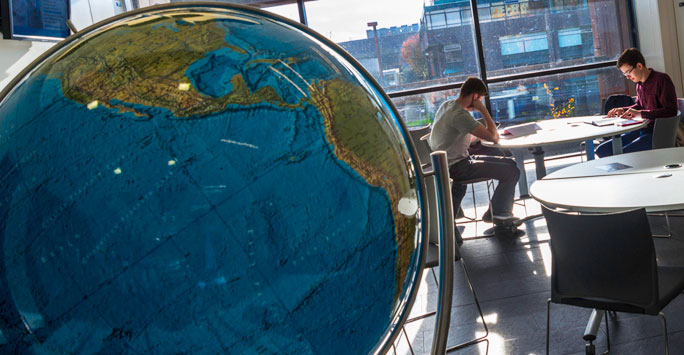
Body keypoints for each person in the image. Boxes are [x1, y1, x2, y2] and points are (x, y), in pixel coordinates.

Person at [428, 77, 520, 230]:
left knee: (509, 163)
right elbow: (493, 137)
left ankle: (495, 211)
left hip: (449, 162)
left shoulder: (447, 106)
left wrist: (476, 136)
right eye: (480, 99)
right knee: (512, 171)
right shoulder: (460, 115)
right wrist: (482, 109)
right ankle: (498, 213)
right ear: (475, 97)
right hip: (458, 166)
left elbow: (453, 136)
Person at [595, 48, 678, 157]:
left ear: (639, 66)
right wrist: (624, 109)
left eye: (628, 72)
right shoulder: (639, 85)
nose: (628, 77)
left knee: (622, 154)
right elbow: (639, 105)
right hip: (643, 129)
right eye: (625, 74)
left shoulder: (662, 80)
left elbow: (670, 111)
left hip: (657, 134)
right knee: (602, 150)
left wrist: (640, 114)